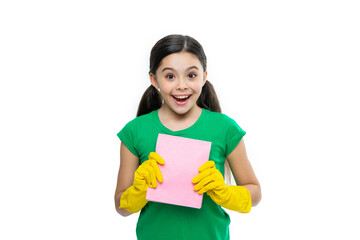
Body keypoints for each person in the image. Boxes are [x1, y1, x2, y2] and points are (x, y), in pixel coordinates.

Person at [114, 34, 261, 240]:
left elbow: (254, 193)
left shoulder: (225, 128)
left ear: (204, 76)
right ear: (154, 79)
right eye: (170, 76)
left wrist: (226, 193)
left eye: (191, 75)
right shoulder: (134, 131)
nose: (181, 85)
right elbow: (121, 206)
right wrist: (139, 190)